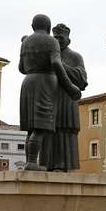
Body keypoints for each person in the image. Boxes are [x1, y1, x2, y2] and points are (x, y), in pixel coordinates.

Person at [19, 14, 80, 171]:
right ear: (48, 27)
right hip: (44, 84)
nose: (58, 39)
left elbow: (21, 68)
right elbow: (55, 63)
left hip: (28, 82)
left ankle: (30, 161)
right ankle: (32, 163)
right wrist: (70, 86)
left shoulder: (25, 42)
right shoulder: (51, 42)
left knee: (31, 127)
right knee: (40, 126)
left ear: (32, 26)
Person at [42, 23, 88, 172]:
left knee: (64, 130)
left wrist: (61, 66)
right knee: (47, 130)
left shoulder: (75, 57)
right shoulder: (47, 55)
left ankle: (62, 165)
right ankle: (46, 164)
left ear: (68, 39)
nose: (57, 40)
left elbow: (82, 80)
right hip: (49, 97)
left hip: (67, 98)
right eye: (55, 37)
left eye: (60, 37)